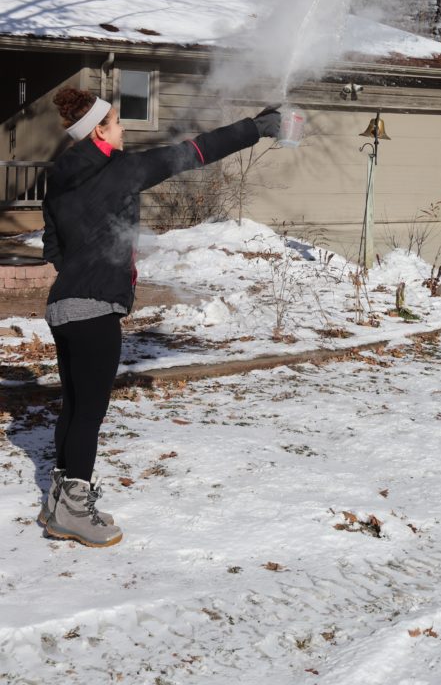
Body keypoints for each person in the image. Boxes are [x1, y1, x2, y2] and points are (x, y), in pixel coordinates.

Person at [39, 87, 281, 548]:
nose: (124, 128)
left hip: (62, 306)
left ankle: (58, 503)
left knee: (73, 407)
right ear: (99, 134)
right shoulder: (120, 171)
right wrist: (254, 128)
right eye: (116, 122)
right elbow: (190, 153)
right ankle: (73, 512)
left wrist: (82, 267)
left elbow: (53, 246)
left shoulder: (60, 179)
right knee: (89, 414)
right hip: (94, 310)